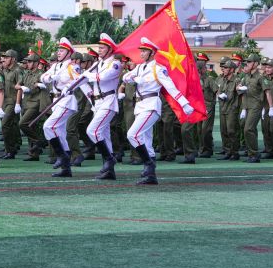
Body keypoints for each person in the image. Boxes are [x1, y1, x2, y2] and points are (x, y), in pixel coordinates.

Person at [122, 37, 196, 185]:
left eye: (144, 51)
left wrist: (185, 104)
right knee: (146, 140)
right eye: (141, 51)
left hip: (151, 105)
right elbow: (125, 77)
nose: (141, 54)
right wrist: (134, 78)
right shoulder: (140, 67)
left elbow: (171, 87)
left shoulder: (159, 69)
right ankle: (150, 175)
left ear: (152, 53)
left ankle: (148, 164)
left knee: (132, 134)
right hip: (139, 106)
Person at [78, 33, 123, 179]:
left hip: (108, 101)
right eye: (99, 47)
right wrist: (70, 88)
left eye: (103, 48)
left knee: (92, 130)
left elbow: (102, 77)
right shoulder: (99, 63)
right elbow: (86, 79)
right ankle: (109, 171)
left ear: (110, 49)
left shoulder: (115, 64)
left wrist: (86, 75)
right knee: (104, 135)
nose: (100, 50)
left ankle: (110, 159)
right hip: (97, 102)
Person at [39, 38, 82, 177]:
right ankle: (66, 167)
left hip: (67, 100)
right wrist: (51, 77)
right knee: (60, 132)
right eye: (58, 50)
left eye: (62, 50)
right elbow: (43, 77)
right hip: (57, 101)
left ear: (69, 52)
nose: (58, 52)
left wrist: (69, 87)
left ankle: (62, 157)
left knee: (48, 126)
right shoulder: (57, 66)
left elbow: (79, 80)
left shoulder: (72, 67)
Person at [237, 54, 264, 163]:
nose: (247, 64)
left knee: (248, 129)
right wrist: (240, 88)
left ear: (256, 63)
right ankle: (251, 152)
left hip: (256, 106)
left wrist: (266, 108)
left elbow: (266, 92)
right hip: (247, 106)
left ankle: (254, 154)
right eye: (247, 62)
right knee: (248, 128)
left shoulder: (260, 77)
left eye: (249, 62)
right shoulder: (246, 76)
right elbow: (238, 88)